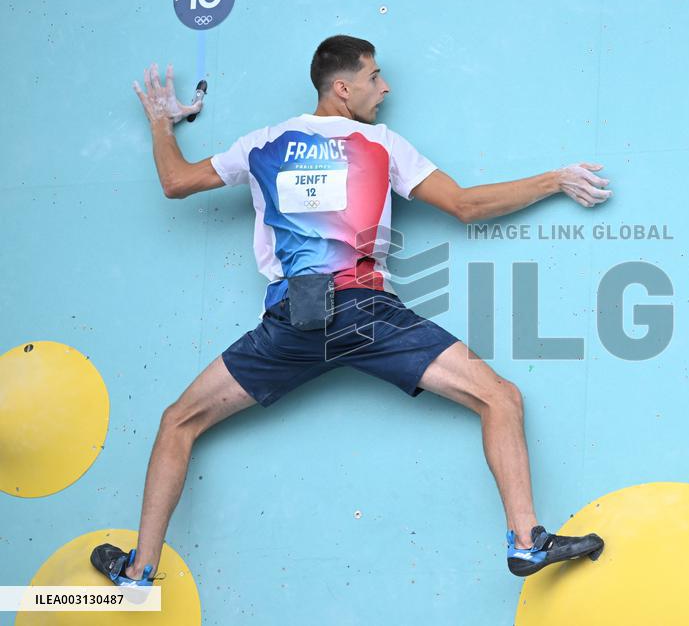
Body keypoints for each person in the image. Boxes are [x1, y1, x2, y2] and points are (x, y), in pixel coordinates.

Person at [90, 35, 612, 587]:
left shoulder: (261, 143)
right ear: (343, 88)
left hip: (293, 321)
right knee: (499, 397)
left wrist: (160, 121)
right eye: (374, 77)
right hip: (367, 317)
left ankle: (139, 571)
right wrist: (554, 179)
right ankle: (526, 540)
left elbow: (175, 181)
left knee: (179, 420)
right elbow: (466, 205)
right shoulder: (381, 144)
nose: (383, 88)